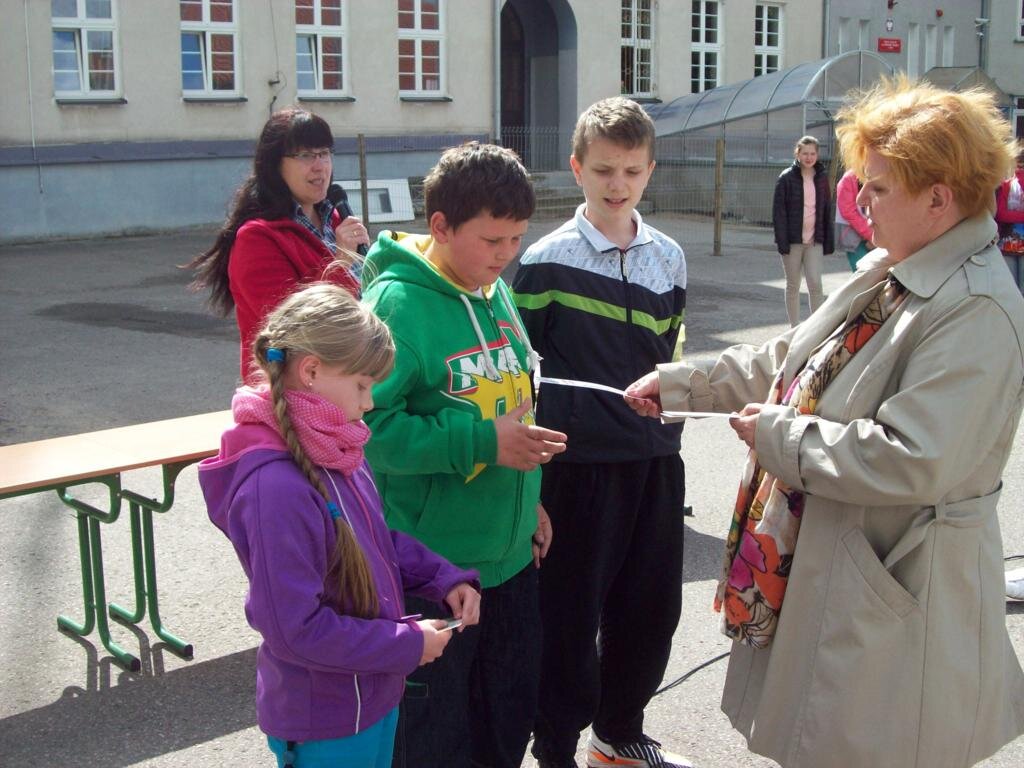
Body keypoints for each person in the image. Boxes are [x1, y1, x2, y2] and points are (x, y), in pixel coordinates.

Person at [625, 77, 1024, 768]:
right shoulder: (897, 266)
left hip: (899, 594)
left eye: (878, 187)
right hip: (849, 571)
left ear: (939, 198)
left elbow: (913, 457)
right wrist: (684, 381)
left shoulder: (974, 307)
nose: (859, 201)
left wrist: (779, 436)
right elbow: (797, 358)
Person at [198, 283, 481, 768]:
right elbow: (295, 629)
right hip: (324, 719)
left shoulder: (336, 445)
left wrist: (443, 577)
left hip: (370, 695)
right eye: (363, 386)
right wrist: (406, 645)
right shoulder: (276, 488)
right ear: (311, 371)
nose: (369, 403)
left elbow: (373, 541)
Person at [360, 142, 568, 768]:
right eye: (492, 240)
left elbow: (511, 401)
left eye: (517, 239)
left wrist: (528, 504)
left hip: (510, 561)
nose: (506, 255)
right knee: (434, 739)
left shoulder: (492, 288)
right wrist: (481, 443)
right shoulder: (396, 307)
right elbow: (367, 432)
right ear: (442, 226)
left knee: (505, 722)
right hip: (434, 571)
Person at [511, 96, 690, 768]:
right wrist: (531, 478)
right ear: (577, 168)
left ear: (650, 171)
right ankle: (556, 745)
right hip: (576, 467)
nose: (619, 185)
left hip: (655, 461)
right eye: (605, 170)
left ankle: (618, 733)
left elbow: (672, 351)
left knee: (650, 611)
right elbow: (519, 373)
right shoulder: (544, 260)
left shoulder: (670, 257)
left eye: (632, 171)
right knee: (569, 616)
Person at [188, 106, 370, 382]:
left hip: (350, 380)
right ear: (274, 165)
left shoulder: (334, 218)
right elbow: (293, 328)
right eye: (305, 155)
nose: (320, 165)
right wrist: (342, 263)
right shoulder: (256, 239)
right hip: (293, 391)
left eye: (324, 153)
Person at [772, 135, 834, 325]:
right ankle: (794, 327)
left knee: (815, 283)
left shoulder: (822, 178)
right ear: (797, 154)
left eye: (812, 153)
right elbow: (779, 213)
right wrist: (782, 241)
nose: (809, 157)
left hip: (814, 241)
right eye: (805, 153)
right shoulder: (786, 178)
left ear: (817, 155)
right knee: (793, 285)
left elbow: (826, 209)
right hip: (792, 242)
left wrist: (828, 240)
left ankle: (816, 327)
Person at [834, 167, 873, 271]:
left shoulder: (879, 174)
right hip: (853, 235)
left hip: (875, 232)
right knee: (863, 272)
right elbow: (848, 211)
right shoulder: (848, 178)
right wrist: (870, 235)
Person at [996, 148, 1024, 291]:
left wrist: (1013, 215)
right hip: (1008, 243)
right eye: (1018, 165)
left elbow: (1005, 214)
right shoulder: (1007, 185)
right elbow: (1000, 214)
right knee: (1011, 287)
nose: (1019, 170)